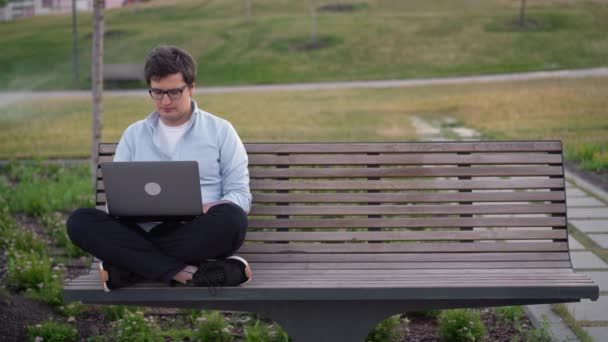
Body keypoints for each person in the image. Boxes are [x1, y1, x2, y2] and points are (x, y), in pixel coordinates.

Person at [67, 45, 252, 291]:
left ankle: (130, 268)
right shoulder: (134, 135)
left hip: (196, 232)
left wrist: (207, 208)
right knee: (80, 222)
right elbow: (115, 202)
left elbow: (240, 195)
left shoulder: (221, 131)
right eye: (157, 92)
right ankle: (186, 274)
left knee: (233, 220)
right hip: (142, 230)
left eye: (174, 92)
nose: (165, 101)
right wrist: (132, 210)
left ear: (192, 87)